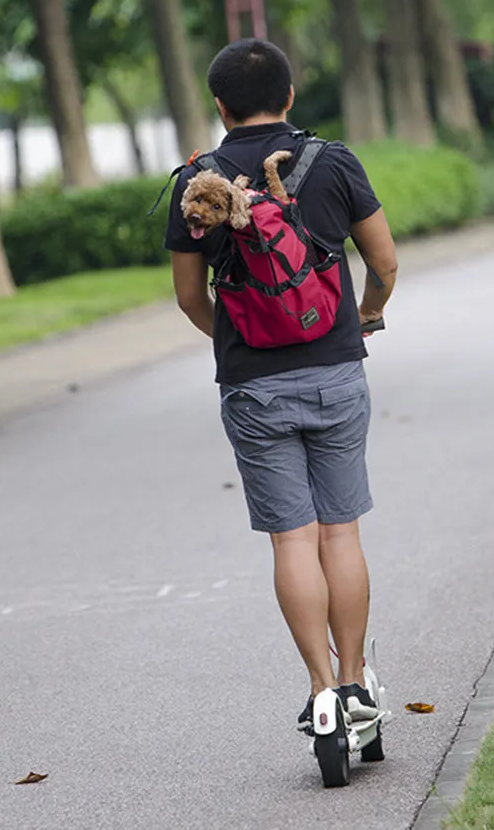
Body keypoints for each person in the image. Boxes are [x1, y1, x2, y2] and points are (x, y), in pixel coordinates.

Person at [164, 38, 398, 731]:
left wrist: (238, 342)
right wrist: (363, 320)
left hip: (253, 385)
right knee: (340, 533)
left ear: (219, 105)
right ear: (290, 97)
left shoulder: (197, 182)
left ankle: (322, 692)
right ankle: (357, 686)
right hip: (334, 368)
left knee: (292, 541)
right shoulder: (331, 162)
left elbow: (186, 297)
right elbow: (383, 263)